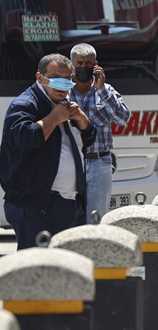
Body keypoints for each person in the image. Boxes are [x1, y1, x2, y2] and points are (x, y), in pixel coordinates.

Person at [0, 53, 96, 249]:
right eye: (55, 78)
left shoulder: (65, 104)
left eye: (67, 78)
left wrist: (82, 120)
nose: (62, 84)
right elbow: (25, 139)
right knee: (37, 270)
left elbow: (89, 138)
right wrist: (53, 118)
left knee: (69, 269)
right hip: (38, 207)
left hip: (71, 204)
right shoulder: (25, 104)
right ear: (39, 77)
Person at [68, 43, 131, 221]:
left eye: (88, 63)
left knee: (96, 219)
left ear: (96, 65)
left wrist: (101, 89)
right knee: (71, 218)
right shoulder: (63, 92)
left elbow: (122, 119)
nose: (84, 67)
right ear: (71, 64)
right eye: (79, 62)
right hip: (70, 164)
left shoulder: (107, 91)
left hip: (99, 163)